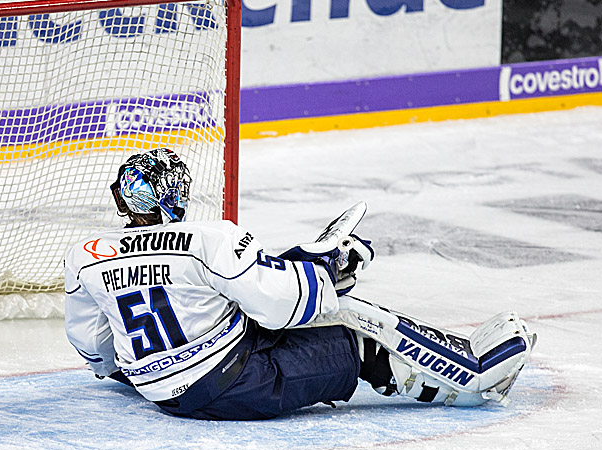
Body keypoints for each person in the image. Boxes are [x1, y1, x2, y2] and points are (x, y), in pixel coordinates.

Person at [63, 148, 536, 420]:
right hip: (233, 385)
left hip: (158, 390)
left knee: (255, 313)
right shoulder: (208, 239)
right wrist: (327, 270)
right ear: (179, 195)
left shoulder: (86, 258)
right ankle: (471, 384)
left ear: (122, 199)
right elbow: (278, 305)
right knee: (353, 337)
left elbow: (94, 348)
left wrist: (135, 369)